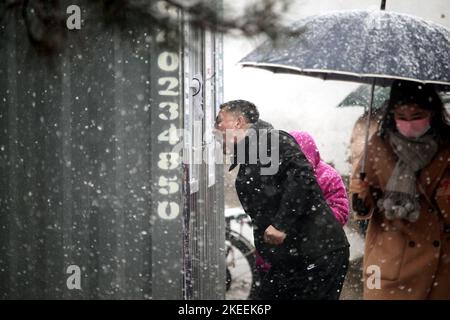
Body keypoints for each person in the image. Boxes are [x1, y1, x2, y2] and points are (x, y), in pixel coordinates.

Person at [215, 99, 350, 300]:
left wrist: (281, 225)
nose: (215, 128)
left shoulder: (272, 140)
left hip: (317, 255)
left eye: (219, 121)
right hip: (290, 260)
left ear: (238, 122)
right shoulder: (250, 153)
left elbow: (304, 178)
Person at [350, 80, 450, 299]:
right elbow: (362, 210)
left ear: (432, 113)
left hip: (440, 264)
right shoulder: (378, 145)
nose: (409, 124)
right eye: (401, 117)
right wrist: (360, 195)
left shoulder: (446, 148)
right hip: (391, 258)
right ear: (392, 115)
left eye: (417, 116)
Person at [290, 131, 349, 226]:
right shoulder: (282, 174)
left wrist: (311, 219)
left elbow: (341, 212)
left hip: (320, 237)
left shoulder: (329, 176)